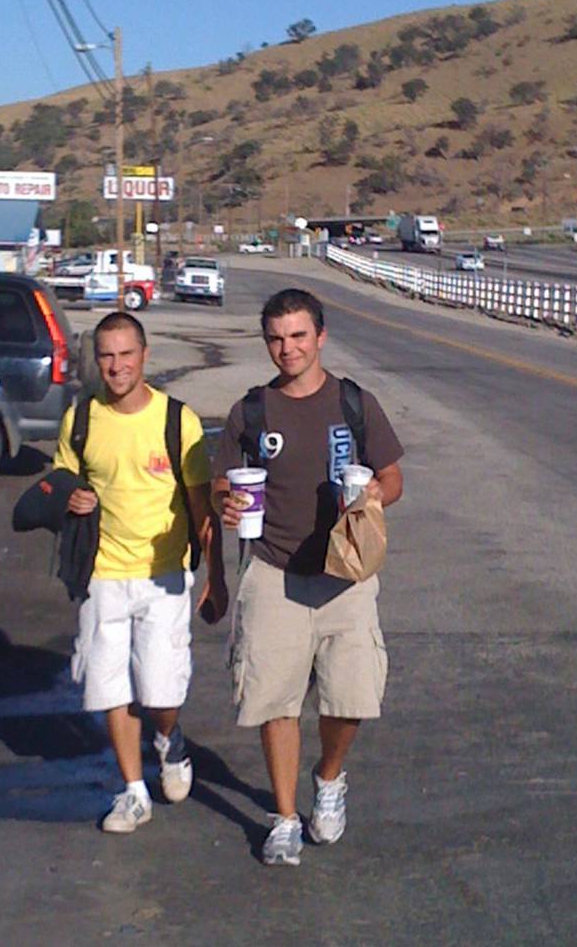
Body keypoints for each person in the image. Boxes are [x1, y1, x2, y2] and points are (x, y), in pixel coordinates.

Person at [212, 288, 404, 866]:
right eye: (276, 337)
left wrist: (374, 493)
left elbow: (392, 476)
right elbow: (223, 479)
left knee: (351, 698)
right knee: (276, 701)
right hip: (273, 572)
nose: (287, 348)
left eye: (298, 336)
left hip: (345, 574)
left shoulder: (354, 403)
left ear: (320, 337)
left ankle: (329, 777)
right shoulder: (251, 411)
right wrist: (225, 502)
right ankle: (285, 818)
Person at [54, 311, 227, 834]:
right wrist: (71, 496)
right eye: (106, 355)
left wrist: (216, 578)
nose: (116, 365)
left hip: (163, 575)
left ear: (144, 356)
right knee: (110, 689)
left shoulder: (178, 421)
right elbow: (62, 479)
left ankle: (168, 740)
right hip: (101, 573)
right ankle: (132, 792)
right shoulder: (81, 419)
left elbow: (202, 510)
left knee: (162, 693)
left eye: (126, 354)